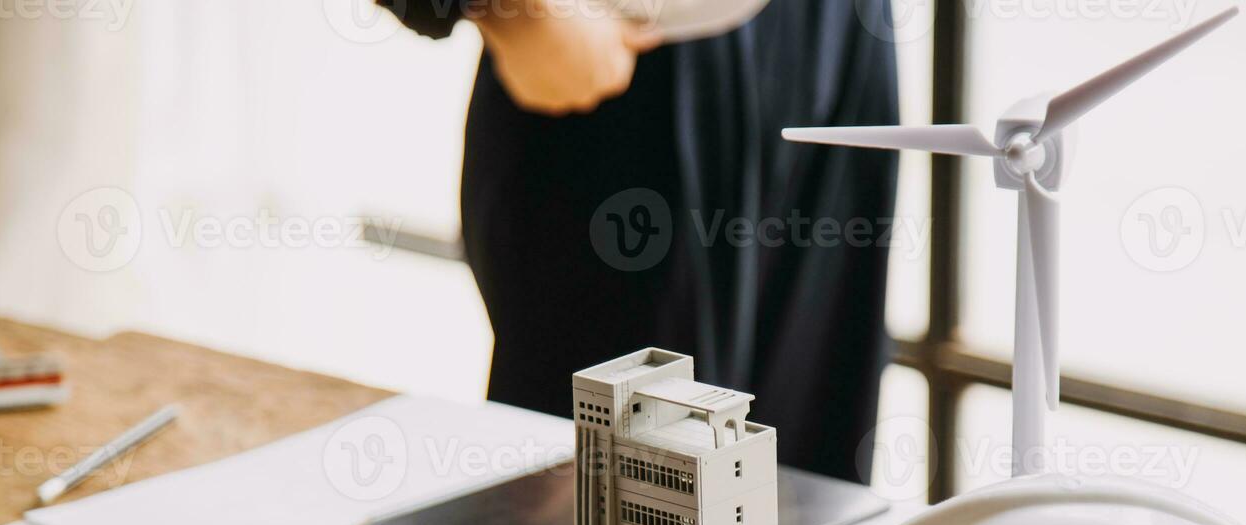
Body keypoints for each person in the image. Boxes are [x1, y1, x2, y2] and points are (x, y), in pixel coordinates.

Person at [382, 0, 899, 482]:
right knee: (609, 524)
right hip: (627, 63)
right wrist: (514, 13)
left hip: (837, 29)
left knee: (808, 507)